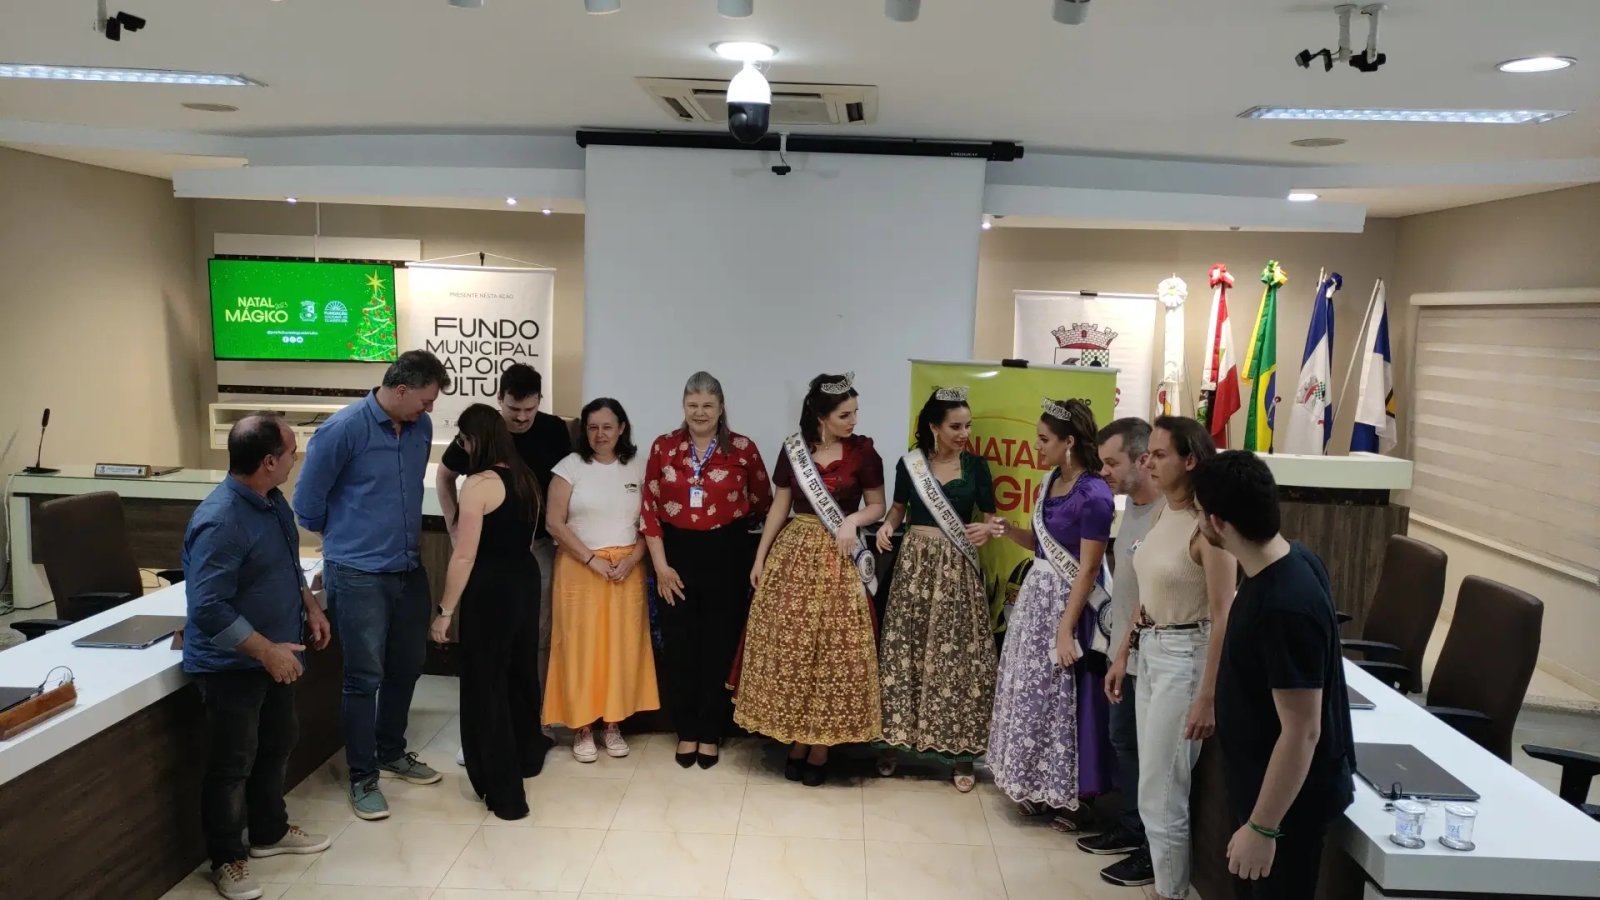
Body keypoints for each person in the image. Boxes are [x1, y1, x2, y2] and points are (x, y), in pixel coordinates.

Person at [294, 350, 450, 821]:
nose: (429, 410)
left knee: (408, 665)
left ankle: (391, 751)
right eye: (424, 400)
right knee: (363, 678)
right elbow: (307, 506)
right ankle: (363, 776)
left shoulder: (420, 428)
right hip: (358, 573)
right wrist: (348, 537)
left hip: (408, 568)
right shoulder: (342, 431)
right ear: (400, 390)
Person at [1193, 451, 1355, 899]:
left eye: (1199, 513)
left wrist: (1263, 828)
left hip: (1287, 813)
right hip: (1262, 793)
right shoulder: (1287, 561)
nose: (1198, 523)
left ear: (1218, 522)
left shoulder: (1285, 605)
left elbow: (1303, 731)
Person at [183, 414, 333, 900]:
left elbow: (286, 566)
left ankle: (269, 830)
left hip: (278, 654)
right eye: (291, 452)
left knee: (277, 743)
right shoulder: (221, 520)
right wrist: (265, 650)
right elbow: (208, 608)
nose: (296, 458)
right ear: (269, 461)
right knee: (232, 764)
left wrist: (311, 606)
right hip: (234, 667)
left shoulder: (272, 502)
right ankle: (228, 858)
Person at [1107, 415, 1237, 900]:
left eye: (1160, 455)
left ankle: (1170, 892)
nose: (1149, 463)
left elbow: (1224, 616)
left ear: (1190, 460)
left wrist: (1208, 696)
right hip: (1152, 649)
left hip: (1186, 658)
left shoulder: (1210, 528)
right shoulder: (1164, 511)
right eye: (1148, 454)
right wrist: (1124, 651)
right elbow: (1147, 593)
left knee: (1163, 794)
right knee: (1152, 787)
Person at [735, 372, 886, 786]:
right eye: (844, 415)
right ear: (821, 416)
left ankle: (820, 744)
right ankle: (798, 736)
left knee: (834, 650)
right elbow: (779, 507)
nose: (853, 421)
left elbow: (877, 505)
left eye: (855, 412)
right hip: (796, 554)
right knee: (796, 648)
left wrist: (852, 520)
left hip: (840, 556)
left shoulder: (864, 453)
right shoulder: (794, 450)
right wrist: (760, 557)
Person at [988, 398, 1116, 827]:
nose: (1037, 446)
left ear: (1069, 442)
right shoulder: (1049, 482)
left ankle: (1075, 797)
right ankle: (1038, 784)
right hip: (1036, 599)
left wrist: (1065, 629)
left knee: (1069, 695)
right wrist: (1008, 530)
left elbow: (1090, 568)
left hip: (1071, 605)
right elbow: (1040, 545)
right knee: (1035, 693)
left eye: (1044, 439)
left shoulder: (1094, 495)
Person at [874, 386, 1001, 792]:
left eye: (967, 426)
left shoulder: (977, 467)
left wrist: (987, 530)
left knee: (958, 657)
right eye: (955, 427)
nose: (964, 434)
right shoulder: (909, 464)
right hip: (915, 563)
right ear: (934, 427)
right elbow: (898, 509)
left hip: (957, 567)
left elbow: (992, 519)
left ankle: (960, 752)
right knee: (906, 650)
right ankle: (894, 741)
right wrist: (888, 527)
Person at [641, 371, 771, 768]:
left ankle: (711, 729)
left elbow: (761, 500)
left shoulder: (743, 449)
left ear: (721, 408)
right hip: (674, 555)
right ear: (683, 406)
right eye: (693, 405)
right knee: (680, 643)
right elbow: (649, 509)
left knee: (719, 642)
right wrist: (661, 567)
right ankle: (687, 729)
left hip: (726, 553)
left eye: (708, 406)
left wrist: (732, 533)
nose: (700, 413)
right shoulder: (664, 447)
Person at [427, 404, 547, 821]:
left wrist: (445, 611)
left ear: (475, 440)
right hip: (525, 579)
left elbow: (464, 556)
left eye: (463, 440)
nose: (462, 447)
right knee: (519, 672)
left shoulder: (478, 484)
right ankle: (527, 757)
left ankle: (505, 793)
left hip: (491, 586)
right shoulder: (526, 477)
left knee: (486, 683)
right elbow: (527, 540)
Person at [436, 363, 570, 698]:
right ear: (500, 399)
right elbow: (445, 474)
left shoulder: (554, 430)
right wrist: (454, 526)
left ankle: (533, 709)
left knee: (535, 632)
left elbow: (569, 481)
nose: (522, 417)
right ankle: (496, 709)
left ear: (539, 401)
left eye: (530, 409)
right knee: (488, 638)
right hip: (487, 550)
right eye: (514, 409)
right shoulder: (483, 432)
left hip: (536, 546)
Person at [542, 398, 659, 762]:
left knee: (621, 648)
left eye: (607, 427)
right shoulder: (569, 467)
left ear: (622, 428)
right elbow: (554, 523)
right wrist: (591, 559)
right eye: (592, 427)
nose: (600, 434)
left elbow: (651, 522)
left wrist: (633, 559)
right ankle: (582, 727)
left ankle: (613, 724)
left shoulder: (639, 466)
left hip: (626, 570)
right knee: (580, 648)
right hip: (580, 569)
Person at [1083, 417, 1164, 888]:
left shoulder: (1168, 513)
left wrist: (1124, 653)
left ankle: (1153, 851)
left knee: (1153, 758)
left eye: (1112, 463)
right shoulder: (1130, 506)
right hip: (1121, 652)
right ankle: (1131, 829)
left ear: (1142, 459)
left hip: (1150, 656)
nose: (1104, 472)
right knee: (1124, 743)